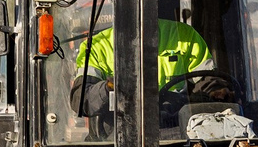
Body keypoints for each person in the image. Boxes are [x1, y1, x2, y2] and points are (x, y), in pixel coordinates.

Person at [73, 12, 219, 91]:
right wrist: (108, 88)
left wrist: (216, 90)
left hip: (176, 127)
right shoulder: (96, 46)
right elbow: (82, 97)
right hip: (114, 134)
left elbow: (206, 80)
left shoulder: (184, 36)